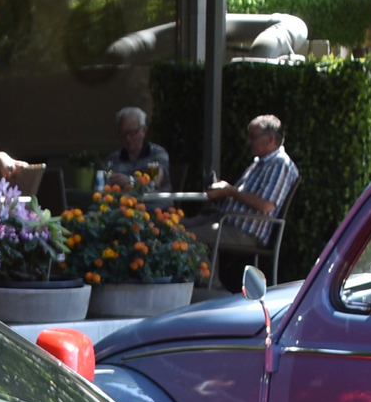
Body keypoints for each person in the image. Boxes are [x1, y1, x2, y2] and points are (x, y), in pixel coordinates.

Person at [195, 113, 299, 291]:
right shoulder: (259, 163)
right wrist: (222, 194)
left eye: (253, 137)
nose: (248, 142)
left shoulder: (280, 163)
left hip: (247, 233)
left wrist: (230, 190)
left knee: (187, 237)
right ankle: (206, 284)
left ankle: (213, 289)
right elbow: (241, 196)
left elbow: (266, 205)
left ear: (270, 139)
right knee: (175, 227)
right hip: (226, 220)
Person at [102, 107, 170, 187]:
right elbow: (105, 186)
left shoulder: (157, 154)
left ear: (144, 131)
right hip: (125, 199)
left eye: (132, 133)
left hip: (152, 199)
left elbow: (155, 182)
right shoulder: (113, 159)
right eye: (123, 133)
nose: (127, 138)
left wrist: (129, 181)